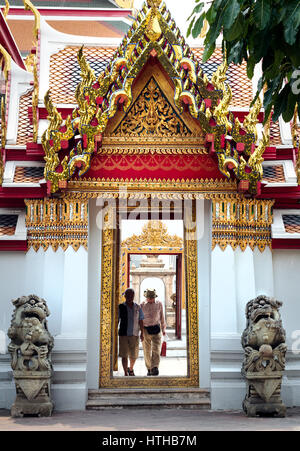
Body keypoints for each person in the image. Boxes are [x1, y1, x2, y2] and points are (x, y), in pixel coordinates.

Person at [118, 288, 144, 376]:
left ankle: (131, 368)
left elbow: (141, 320)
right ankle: (125, 372)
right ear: (125, 296)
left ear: (133, 296)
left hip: (135, 334)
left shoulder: (137, 307)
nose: (130, 297)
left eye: (131, 295)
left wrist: (142, 333)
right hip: (123, 334)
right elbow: (117, 320)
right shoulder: (121, 307)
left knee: (134, 355)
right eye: (128, 295)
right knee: (124, 354)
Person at [141, 288, 166, 376]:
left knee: (156, 349)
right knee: (147, 350)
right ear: (146, 297)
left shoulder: (159, 304)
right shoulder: (142, 305)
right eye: (149, 298)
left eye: (152, 298)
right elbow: (139, 320)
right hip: (146, 330)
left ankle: (155, 367)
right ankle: (149, 368)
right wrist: (140, 332)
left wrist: (163, 329)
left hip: (156, 329)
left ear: (154, 297)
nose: (150, 299)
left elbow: (162, 317)